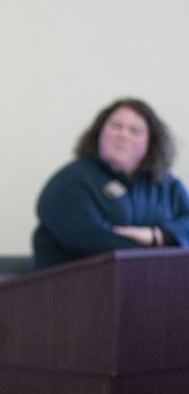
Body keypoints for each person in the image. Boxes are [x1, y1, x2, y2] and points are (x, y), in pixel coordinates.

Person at [32, 97, 189, 269]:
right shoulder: (70, 181)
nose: (123, 135)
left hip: (157, 285)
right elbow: (89, 240)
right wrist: (162, 253)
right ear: (99, 132)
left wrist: (157, 235)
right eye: (116, 126)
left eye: (135, 131)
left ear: (150, 142)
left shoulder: (166, 186)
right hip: (81, 287)